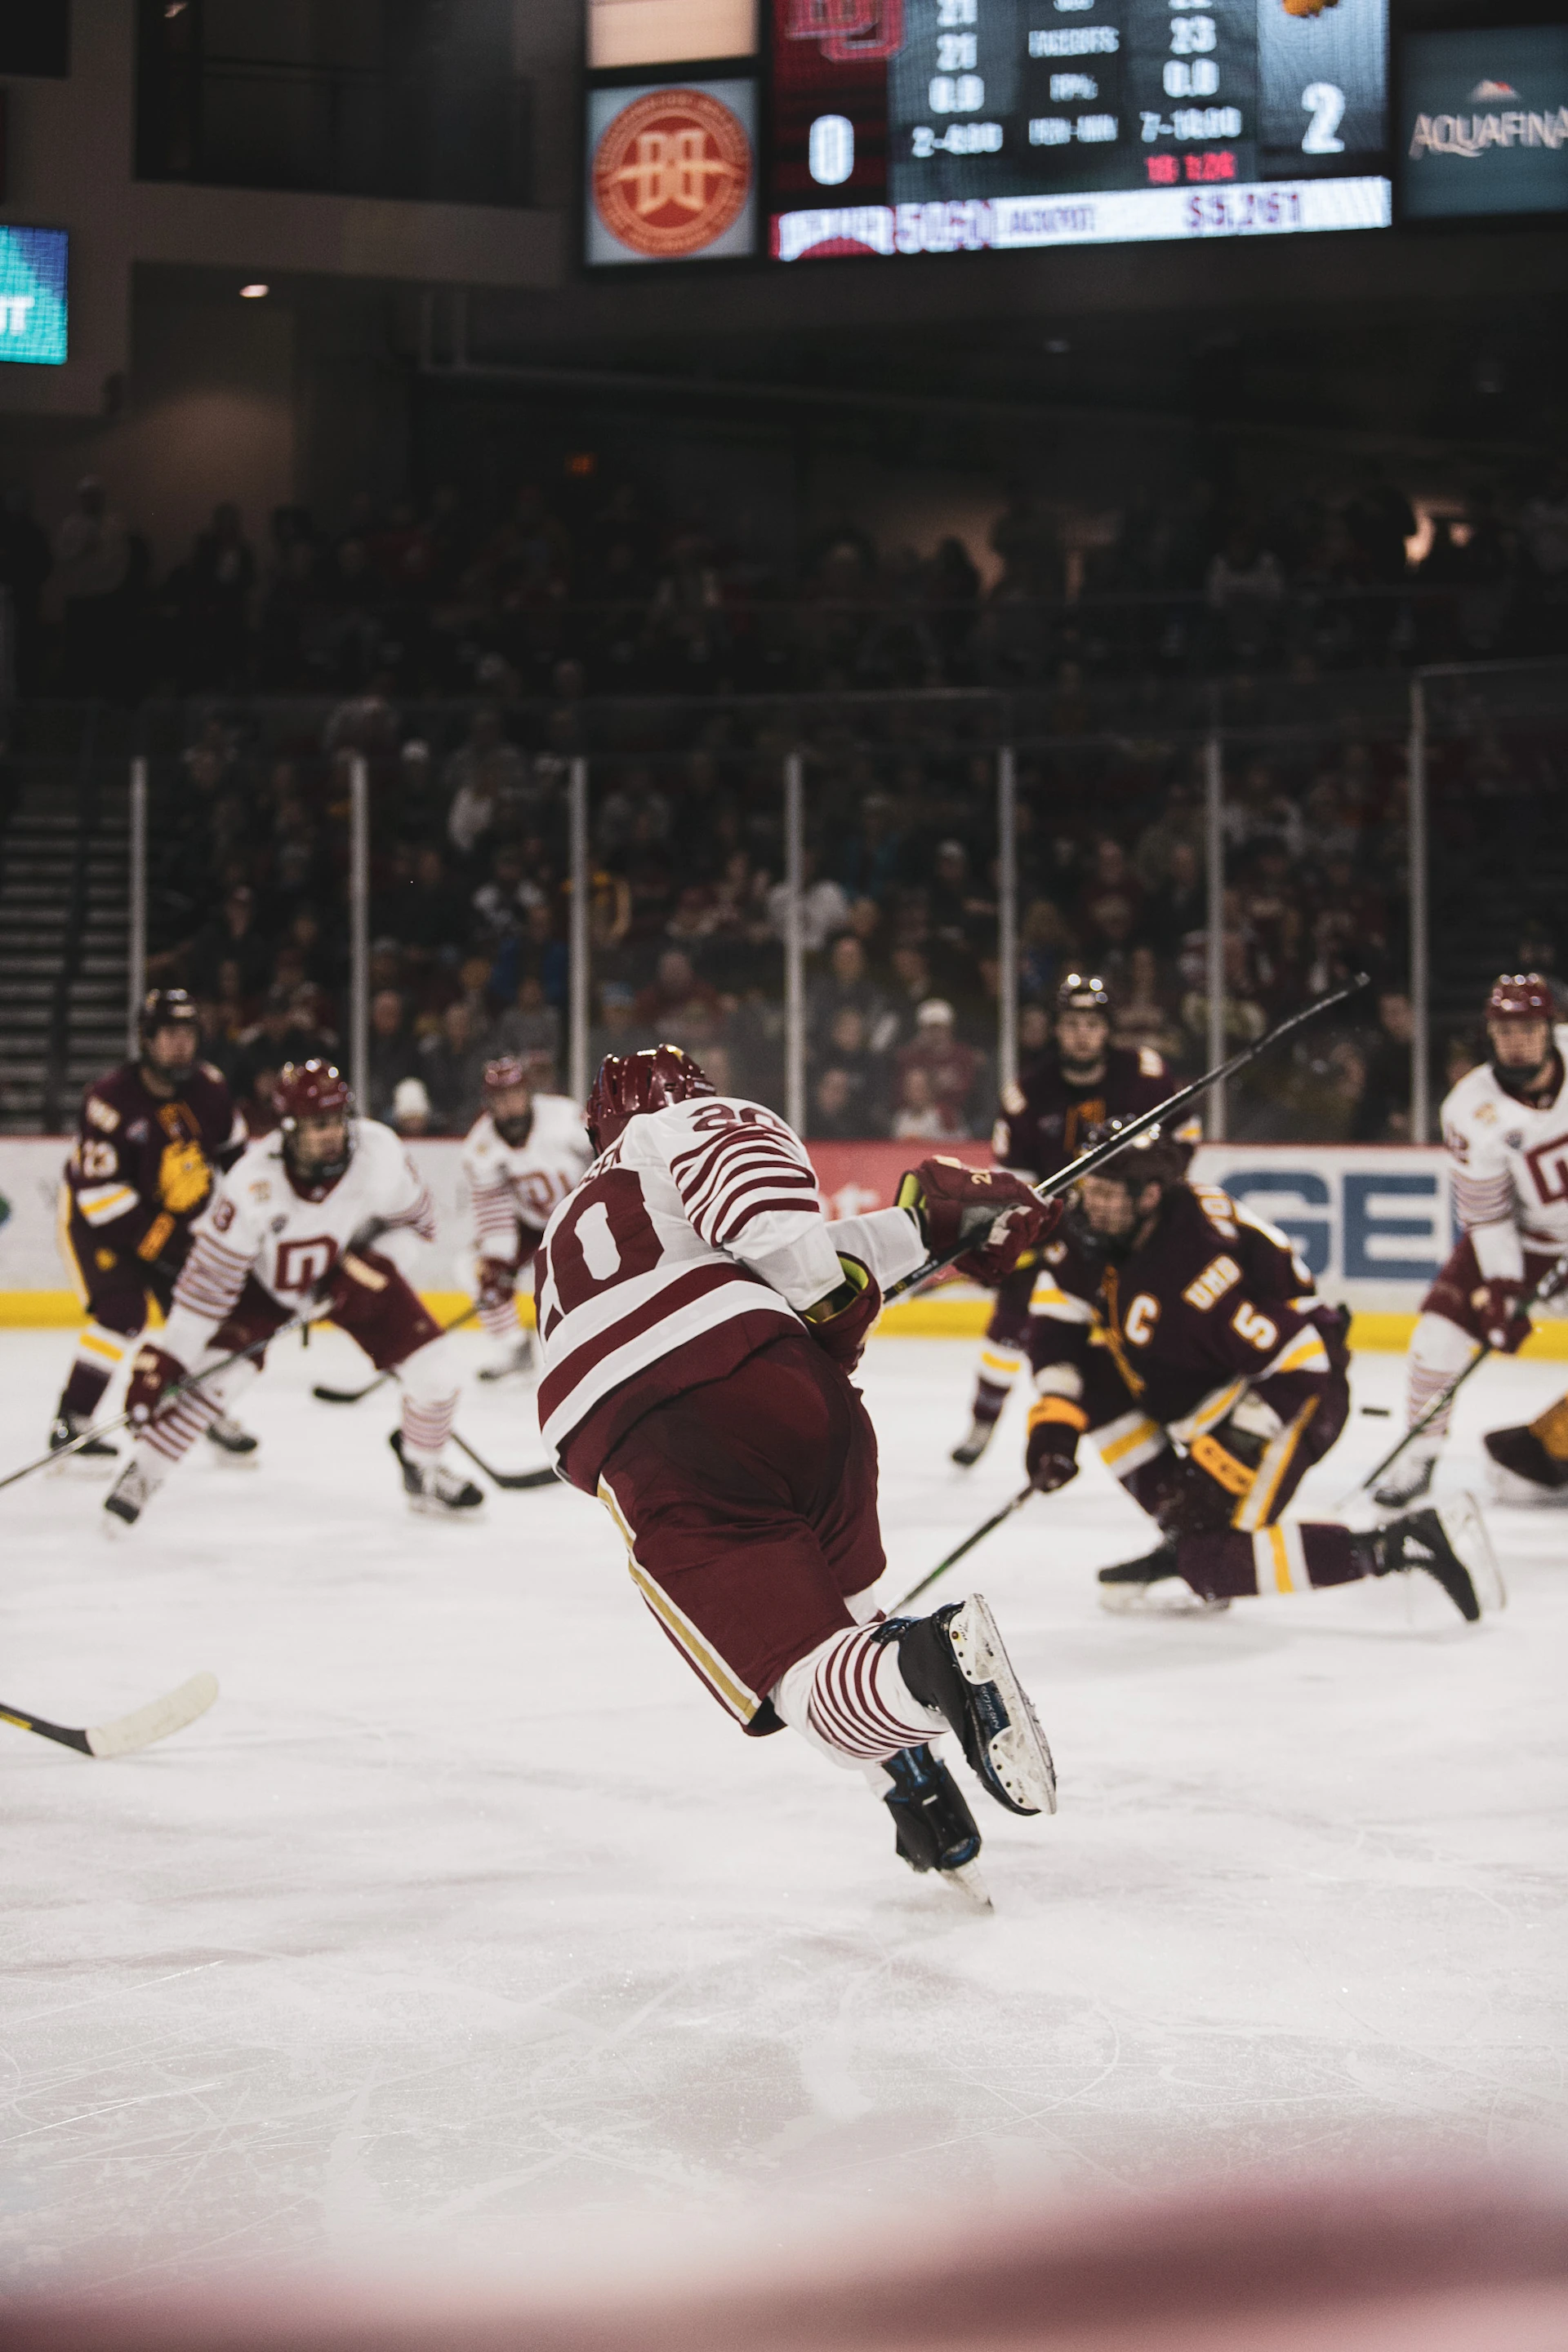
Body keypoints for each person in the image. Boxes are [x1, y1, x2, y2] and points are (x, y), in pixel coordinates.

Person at [532, 1045, 1060, 1899]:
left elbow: (793, 1261)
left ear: (600, 1122)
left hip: (661, 1444)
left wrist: (858, 1284)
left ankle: (934, 1664)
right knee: (851, 1633)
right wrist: (929, 1232)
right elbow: (791, 1250)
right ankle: (918, 1796)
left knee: (802, 1682)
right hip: (804, 1408)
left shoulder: (579, 1212)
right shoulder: (699, 1133)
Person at [1020, 1125, 1501, 1622]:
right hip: (1217, 1383)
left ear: (1149, 1196)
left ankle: (1401, 1545)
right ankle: (1188, 1532)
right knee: (1094, 1381)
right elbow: (1057, 1327)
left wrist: (1225, 1462)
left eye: (1103, 1192)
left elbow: (1299, 1361)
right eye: (1086, 1189)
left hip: (1296, 1395)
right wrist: (1055, 1420)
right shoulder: (1101, 1232)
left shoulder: (1193, 1269)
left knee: (1213, 1565)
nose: (1087, 1204)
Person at [103, 1060, 483, 1530]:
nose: (333, 1135)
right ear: (289, 1128)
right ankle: (144, 1473)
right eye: (317, 1124)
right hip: (265, 1291)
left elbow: (420, 1225)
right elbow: (205, 1294)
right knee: (216, 1380)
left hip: (349, 1274)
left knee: (439, 1374)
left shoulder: (378, 1153)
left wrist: (373, 1265)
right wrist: (170, 1360)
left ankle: (423, 1469)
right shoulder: (250, 1186)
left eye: (337, 1120)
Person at [951, 973, 1179, 1469]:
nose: (1082, 1034)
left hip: (1129, 1230)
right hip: (1056, 1234)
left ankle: (1175, 1412)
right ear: (1056, 1029)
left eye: (1092, 1024)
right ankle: (983, 1419)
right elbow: (1013, 1181)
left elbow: (1183, 1139)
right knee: (1011, 1321)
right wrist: (1025, 1230)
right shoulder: (1030, 1095)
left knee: (1161, 1314)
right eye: (1073, 1023)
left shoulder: (1143, 1076)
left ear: (1107, 1029)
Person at [1374, 973, 1568, 1509]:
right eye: (1505, 1029)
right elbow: (1487, 1214)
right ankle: (1419, 1456)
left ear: (1551, 1028)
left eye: (1528, 1027)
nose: (1517, 1040)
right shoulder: (1469, 1107)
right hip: (1526, 1240)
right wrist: (1504, 1286)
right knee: (1436, 1335)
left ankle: (1554, 1445)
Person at [50, 990, 253, 1472]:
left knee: (201, 1317)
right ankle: (70, 1421)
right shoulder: (108, 1100)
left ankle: (206, 1411)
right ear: (146, 1039)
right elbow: (101, 1196)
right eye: (169, 1035)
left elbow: (239, 1158)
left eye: (188, 1034)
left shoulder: (210, 1089)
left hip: (171, 1225)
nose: (181, 1045)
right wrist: (169, 1245)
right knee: (123, 1314)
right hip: (95, 1221)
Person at [461, 1055, 591, 1381]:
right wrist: (498, 1262)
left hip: (581, 1219)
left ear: (528, 1092)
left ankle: (594, 1346)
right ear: (488, 1102)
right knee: (472, 1267)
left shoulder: (564, 1117)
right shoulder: (480, 1146)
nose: (509, 1105)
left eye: (514, 1094)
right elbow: (494, 1208)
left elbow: (606, 1153)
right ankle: (515, 1348)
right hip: (531, 1227)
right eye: (499, 1098)